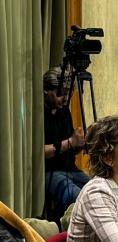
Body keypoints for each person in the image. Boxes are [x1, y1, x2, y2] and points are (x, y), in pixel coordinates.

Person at [42, 67, 89, 213]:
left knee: (96, 190)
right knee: (73, 194)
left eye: (69, 93)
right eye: (61, 93)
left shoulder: (64, 111)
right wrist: (70, 142)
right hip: (49, 171)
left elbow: (71, 147)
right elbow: (39, 152)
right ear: (46, 90)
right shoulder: (38, 113)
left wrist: (82, 143)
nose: (66, 98)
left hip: (70, 169)